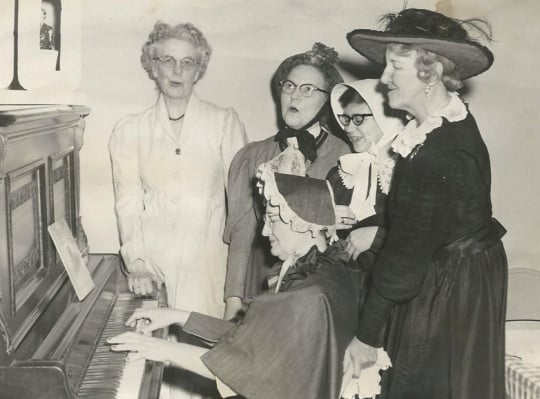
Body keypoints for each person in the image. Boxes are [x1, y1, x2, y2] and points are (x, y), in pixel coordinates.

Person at [344, 8, 508, 399]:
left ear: (430, 74)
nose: (383, 80)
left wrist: (365, 337)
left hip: (455, 284)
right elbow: (415, 218)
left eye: (394, 68)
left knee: (425, 379)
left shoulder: (442, 151)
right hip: (457, 270)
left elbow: (404, 261)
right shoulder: (435, 129)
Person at [108, 169, 358, 399]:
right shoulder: (328, 270)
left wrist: (161, 349)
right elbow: (250, 341)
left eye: (273, 219)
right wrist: (178, 316)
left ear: (304, 223)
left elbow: (242, 366)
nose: (265, 232)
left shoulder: (305, 296)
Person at [109, 21, 247, 398]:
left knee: (202, 371)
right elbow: (127, 200)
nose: (177, 70)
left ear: (200, 69)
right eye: (167, 60)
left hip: (208, 266)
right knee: (148, 369)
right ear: (151, 65)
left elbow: (243, 207)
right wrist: (135, 261)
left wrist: (237, 285)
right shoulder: (129, 130)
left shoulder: (223, 122)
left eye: (188, 63)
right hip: (151, 267)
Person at [223, 43, 350, 320]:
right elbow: (242, 236)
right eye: (290, 86)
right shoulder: (252, 155)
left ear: (327, 100)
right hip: (261, 287)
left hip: (317, 293)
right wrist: (233, 299)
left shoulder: (345, 156)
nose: (295, 96)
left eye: (308, 89)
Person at [326, 78, 403, 269]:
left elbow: (428, 238)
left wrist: (379, 237)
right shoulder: (339, 175)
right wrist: (326, 225)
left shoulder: (408, 172)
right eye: (346, 119)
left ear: (386, 116)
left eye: (358, 119)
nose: (348, 128)